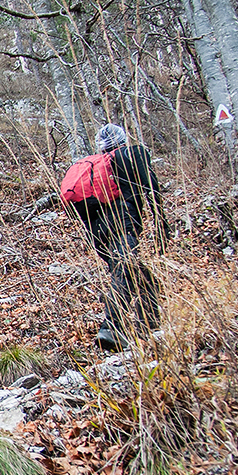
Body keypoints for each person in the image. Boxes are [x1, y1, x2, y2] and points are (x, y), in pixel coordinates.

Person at [65, 123, 167, 351]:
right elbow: (153, 191)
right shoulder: (132, 154)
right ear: (123, 139)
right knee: (126, 269)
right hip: (122, 222)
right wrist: (163, 229)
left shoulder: (93, 169)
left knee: (143, 277)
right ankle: (111, 327)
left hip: (96, 231)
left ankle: (148, 328)